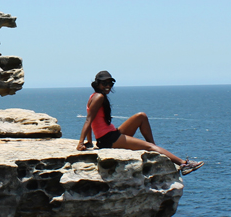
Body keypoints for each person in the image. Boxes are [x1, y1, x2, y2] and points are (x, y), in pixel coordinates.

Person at [76, 70, 205, 175]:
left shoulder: (94, 96)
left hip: (111, 133)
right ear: (98, 84)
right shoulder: (99, 97)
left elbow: (92, 120)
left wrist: (90, 142)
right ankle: (183, 164)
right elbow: (89, 119)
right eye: (105, 83)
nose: (108, 86)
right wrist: (81, 142)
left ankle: (154, 148)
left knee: (141, 116)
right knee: (150, 147)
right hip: (108, 139)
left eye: (110, 83)